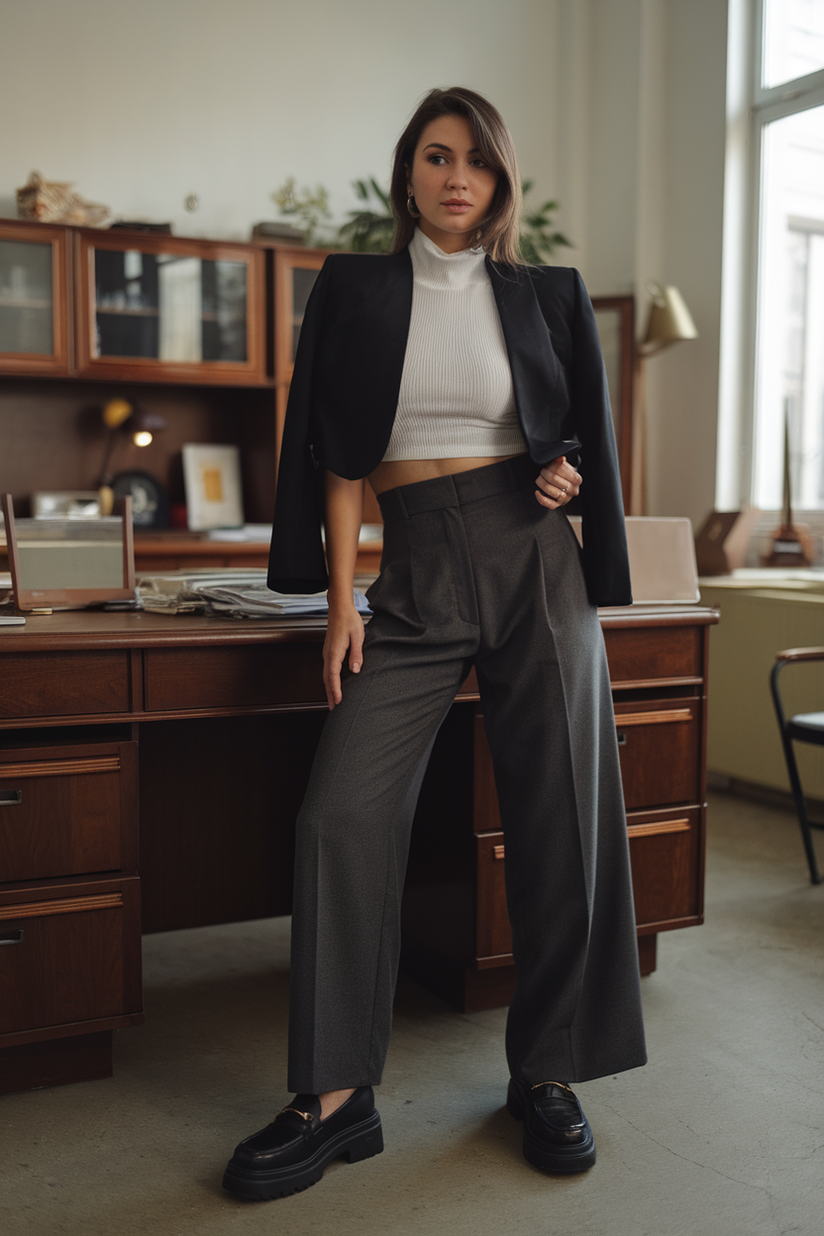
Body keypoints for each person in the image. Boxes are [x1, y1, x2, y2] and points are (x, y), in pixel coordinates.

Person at [223, 86, 646, 1200]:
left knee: (561, 816)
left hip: (530, 561)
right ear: (404, 171)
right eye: (435, 156)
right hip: (407, 572)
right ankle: (332, 1093)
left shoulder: (544, 293)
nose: (457, 177)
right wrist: (340, 599)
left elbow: (569, 447)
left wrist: (560, 473)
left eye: (478, 163)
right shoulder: (355, 290)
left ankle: (547, 1072)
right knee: (341, 815)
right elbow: (336, 454)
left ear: (501, 183)